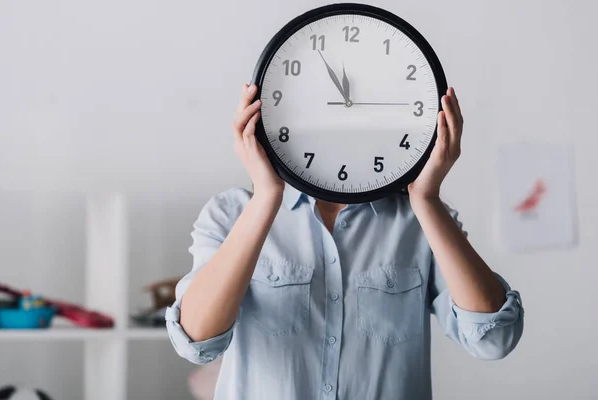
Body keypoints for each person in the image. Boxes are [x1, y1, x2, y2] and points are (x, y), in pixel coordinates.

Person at [166, 84, 524, 400]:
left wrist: (427, 200)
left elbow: (493, 339)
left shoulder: (420, 220)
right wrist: (266, 196)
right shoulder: (231, 214)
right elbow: (196, 341)